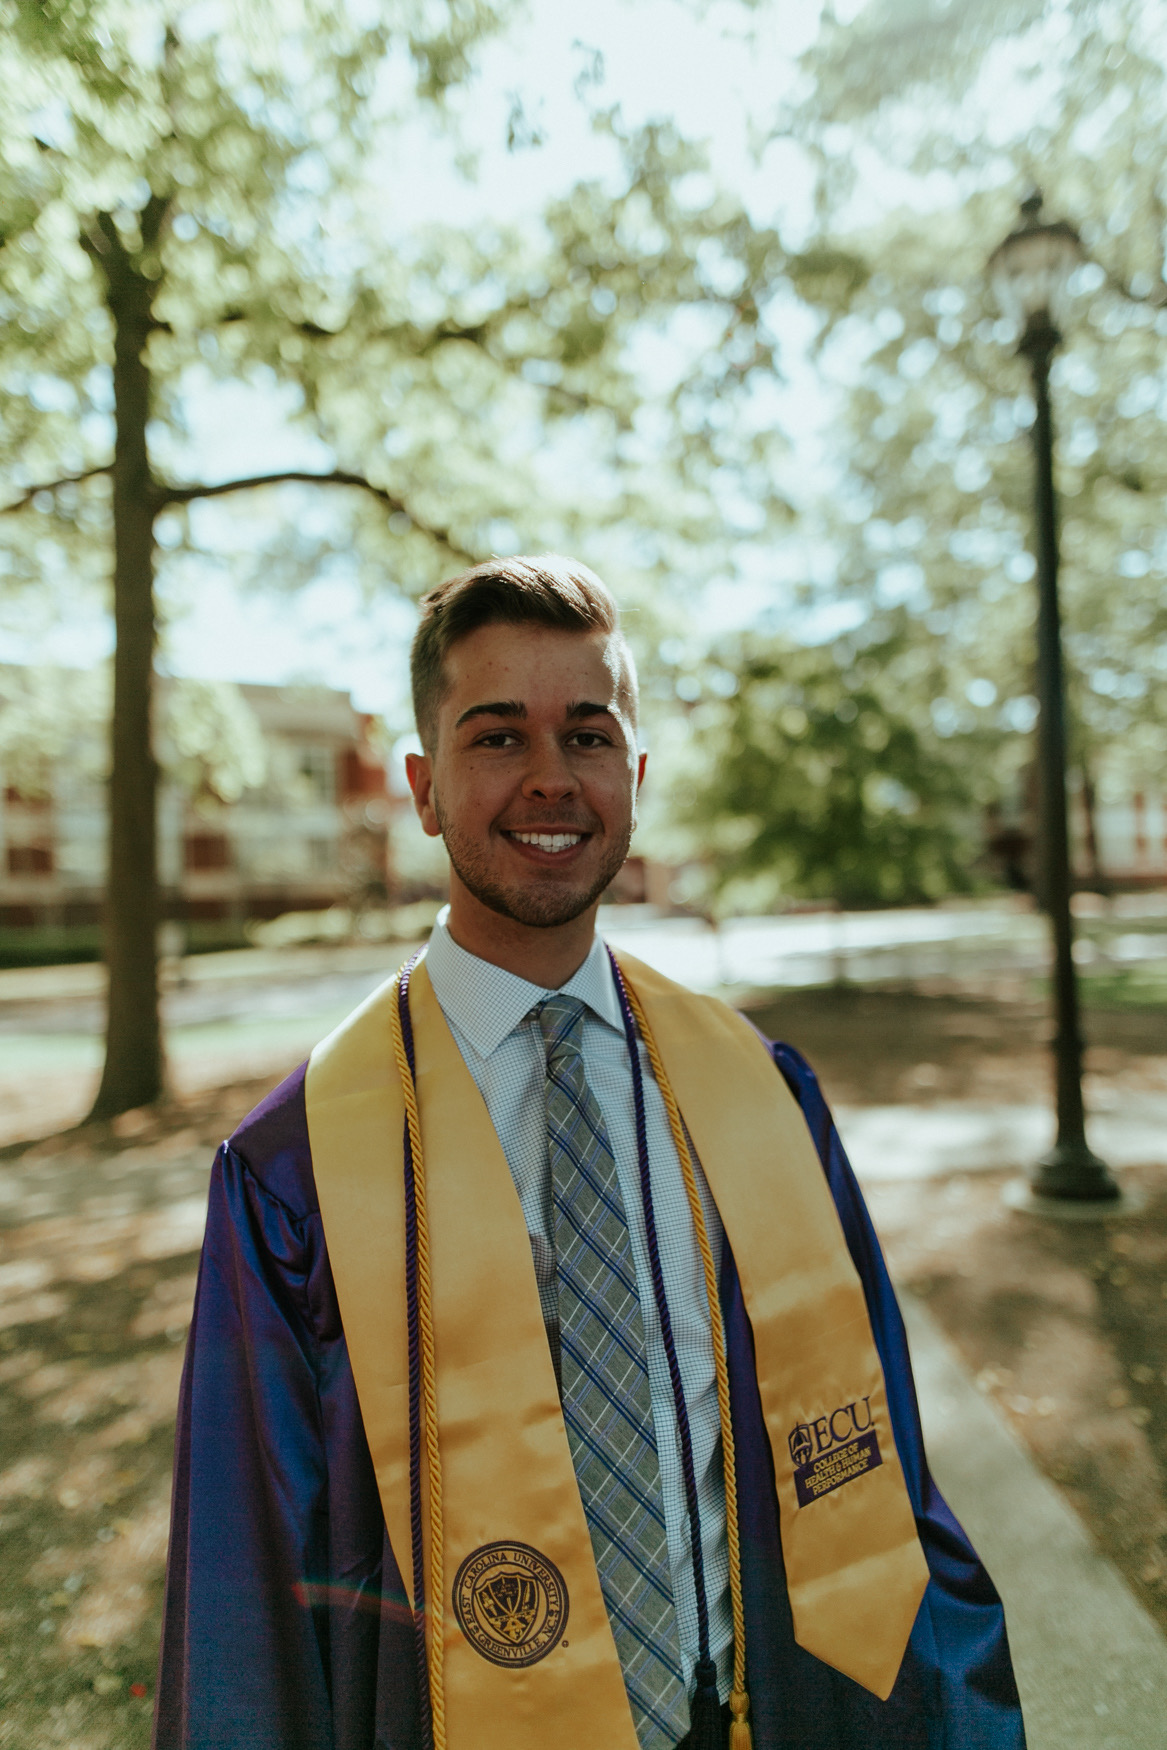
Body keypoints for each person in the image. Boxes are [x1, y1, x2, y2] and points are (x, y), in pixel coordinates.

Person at [154, 556, 1025, 1750]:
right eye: (498, 737)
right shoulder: (296, 1168)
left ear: (637, 775)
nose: (551, 780)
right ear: (421, 786)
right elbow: (246, 1582)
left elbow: (884, 1486)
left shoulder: (761, 1093)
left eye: (589, 735)